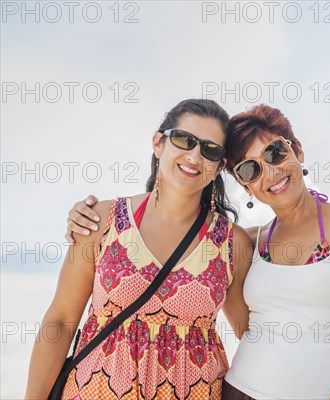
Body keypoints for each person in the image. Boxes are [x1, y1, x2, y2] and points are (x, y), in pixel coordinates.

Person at [64, 104, 330, 399]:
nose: (269, 172)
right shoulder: (247, 242)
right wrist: (86, 215)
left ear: (297, 150)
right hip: (239, 391)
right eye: (250, 169)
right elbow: (248, 328)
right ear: (246, 186)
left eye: (275, 153)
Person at [25, 99, 252, 400]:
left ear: (220, 166)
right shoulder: (101, 220)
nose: (195, 156)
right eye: (184, 140)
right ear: (158, 143)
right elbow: (61, 321)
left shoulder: (231, 242)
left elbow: (251, 335)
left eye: (210, 150)